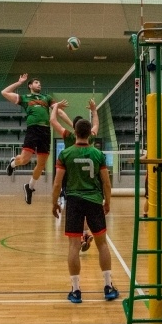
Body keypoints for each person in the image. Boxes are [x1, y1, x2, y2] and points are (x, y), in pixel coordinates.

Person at [51, 119, 118, 304]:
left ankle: (76, 290)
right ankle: (108, 286)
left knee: (73, 246)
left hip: (73, 202)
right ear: (90, 133)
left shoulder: (65, 154)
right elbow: (106, 182)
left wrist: (54, 203)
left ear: (75, 131)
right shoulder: (98, 154)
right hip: (94, 201)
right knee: (102, 244)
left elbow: (57, 183)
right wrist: (107, 202)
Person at [2, 74, 66, 204]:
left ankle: (30, 187)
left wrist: (73, 125)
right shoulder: (25, 98)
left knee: (41, 165)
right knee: (24, 160)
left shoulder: (46, 98)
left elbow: (58, 111)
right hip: (33, 130)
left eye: (40, 83)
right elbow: (4, 92)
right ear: (30, 86)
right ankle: (13, 163)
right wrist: (19, 82)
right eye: (36, 82)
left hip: (45, 131)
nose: (39, 84)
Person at [50, 99, 98, 251]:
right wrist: (94, 110)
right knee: (87, 209)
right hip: (90, 184)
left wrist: (56, 106)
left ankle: (81, 235)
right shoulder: (90, 138)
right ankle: (86, 233)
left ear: (74, 128)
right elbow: (96, 125)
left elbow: (52, 120)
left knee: (75, 211)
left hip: (72, 179)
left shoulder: (69, 137)